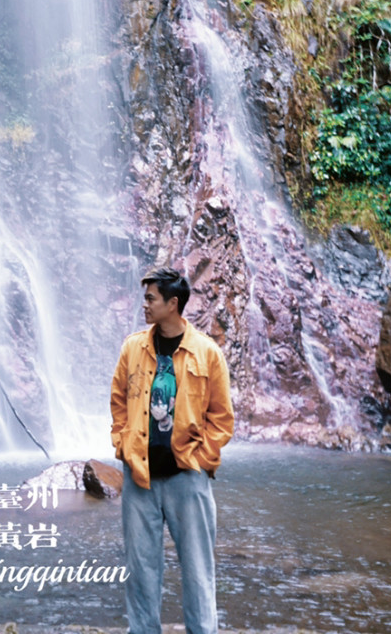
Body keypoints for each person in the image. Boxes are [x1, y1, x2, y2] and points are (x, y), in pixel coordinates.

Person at [110, 267, 234, 634]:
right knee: (140, 573)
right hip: (140, 478)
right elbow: (118, 401)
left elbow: (222, 418)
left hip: (187, 479)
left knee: (198, 571)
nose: (144, 305)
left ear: (172, 303)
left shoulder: (207, 353)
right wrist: (123, 444)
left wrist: (200, 459)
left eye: (150, 299)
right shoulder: (133, 347)